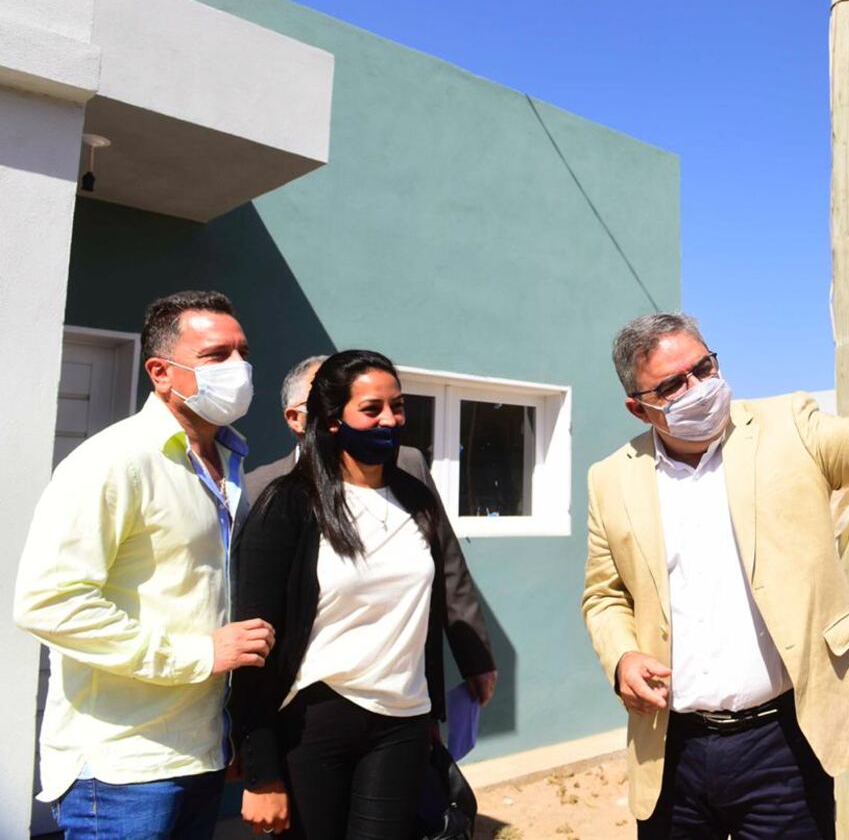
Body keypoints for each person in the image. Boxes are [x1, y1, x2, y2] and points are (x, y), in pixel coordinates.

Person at [582, 313, 849, 838]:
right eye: (674, 384)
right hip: (671, 751)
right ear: (640, 407)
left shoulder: (788, 426)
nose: (698, 388)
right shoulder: (611, 478)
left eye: (704, 367)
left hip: (782, 747)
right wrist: (622, 657)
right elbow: (605, 595)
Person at [13, 290, 276, 839]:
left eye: (243, 352)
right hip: (122, 769)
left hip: (198, 751)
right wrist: (199, 655)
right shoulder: (113, 461)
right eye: (217, 355)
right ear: (161, 371)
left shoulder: (228, 463)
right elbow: (49, 603)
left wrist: (229, 728)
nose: (239, 368)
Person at [231, 350, 466, 838]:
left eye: (397, 406)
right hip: (316, 721)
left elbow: (426, 613)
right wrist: (261, 771)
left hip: (403, 722)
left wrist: (431, 712)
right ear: (334, 421)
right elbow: (255, 643)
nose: (390, 419)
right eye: (372, 408)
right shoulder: (288, 504)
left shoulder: (416, 498)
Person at [244, 354, 497, 706]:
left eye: (396, 406)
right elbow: (257, 609)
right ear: (298, 418)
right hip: (312, 698)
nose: (387, 421)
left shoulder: (407, 467)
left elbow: (448, 567)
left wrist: (475, 658)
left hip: (403, 696)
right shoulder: (264, 489)